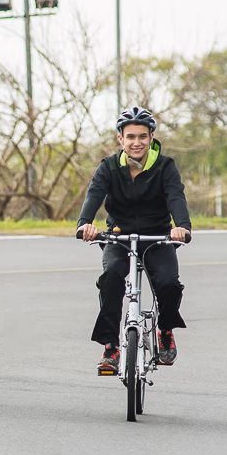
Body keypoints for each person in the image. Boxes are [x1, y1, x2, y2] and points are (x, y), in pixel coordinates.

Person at [76, 107, 191, 376]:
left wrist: (182, 227)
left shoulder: (165, 166)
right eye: (130, 137)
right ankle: (110, 347)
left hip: (158, 237)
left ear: (151, 137)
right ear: (121, 140)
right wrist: (85, 224)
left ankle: (165, 331)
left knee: (168, 284)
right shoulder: (108, 166)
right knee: (111, 279)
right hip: (119, 236)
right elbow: (94, 194)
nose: (136, 142)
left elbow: (176, 196)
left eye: (142, 136)